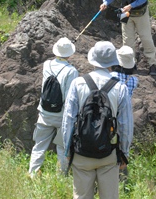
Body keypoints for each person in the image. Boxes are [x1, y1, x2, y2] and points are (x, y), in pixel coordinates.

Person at [62, 41, 133, 199]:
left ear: (92, 59)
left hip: (81, 153)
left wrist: (67, 151)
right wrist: (124, 153)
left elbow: (68, 120)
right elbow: (125, 125)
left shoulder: (77, 83)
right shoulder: (120, 88)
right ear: (113, 62)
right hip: (108, 153)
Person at [100, 0, 156, 76]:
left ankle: (152, 64)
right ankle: (130, 63)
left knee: (146, 38)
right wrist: (105, 2)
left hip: (140, 13)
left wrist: (131, 5)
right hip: (125, 13)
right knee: (127, 40)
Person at [28, 37, 79, 178]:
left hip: (44, 113)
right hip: (62, 116)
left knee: (39, 146)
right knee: (62, 148)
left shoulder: (47, 64)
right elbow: (70, 97)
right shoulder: (72, 71)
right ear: (70, 54)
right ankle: (60, 178)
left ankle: (32, 174)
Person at [111, 45, 138, 184]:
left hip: (110, 115)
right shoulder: (134, 80)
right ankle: (124, 181)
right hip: (125, 115)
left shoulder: (112, 76)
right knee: (122, 147)